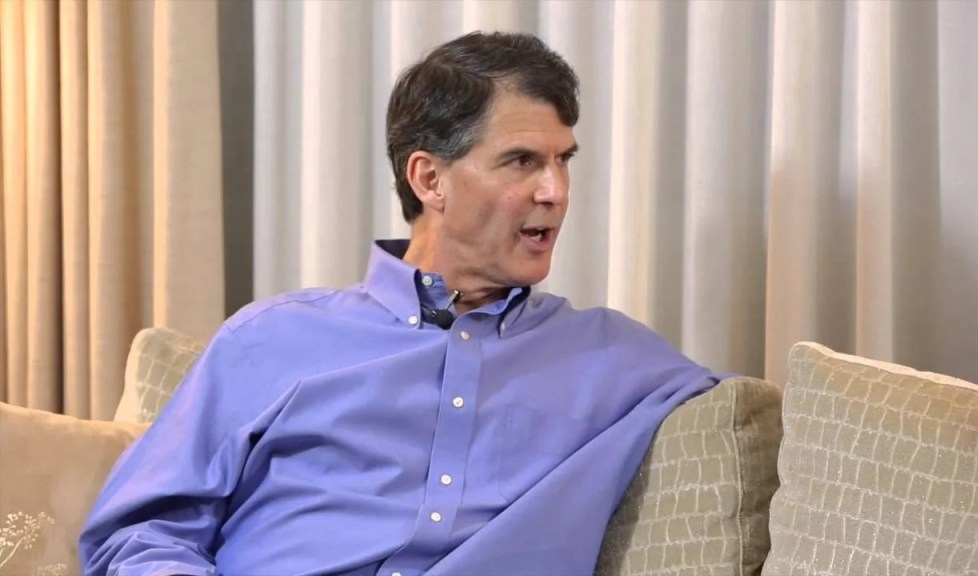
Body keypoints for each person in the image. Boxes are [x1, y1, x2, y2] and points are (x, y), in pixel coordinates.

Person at [80, 31, 722, 576]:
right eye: (522, 161)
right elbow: (139, 532)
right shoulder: (269, 340)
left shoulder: (615, 359)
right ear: (429, 179)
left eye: (563, 161)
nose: (555, 191)